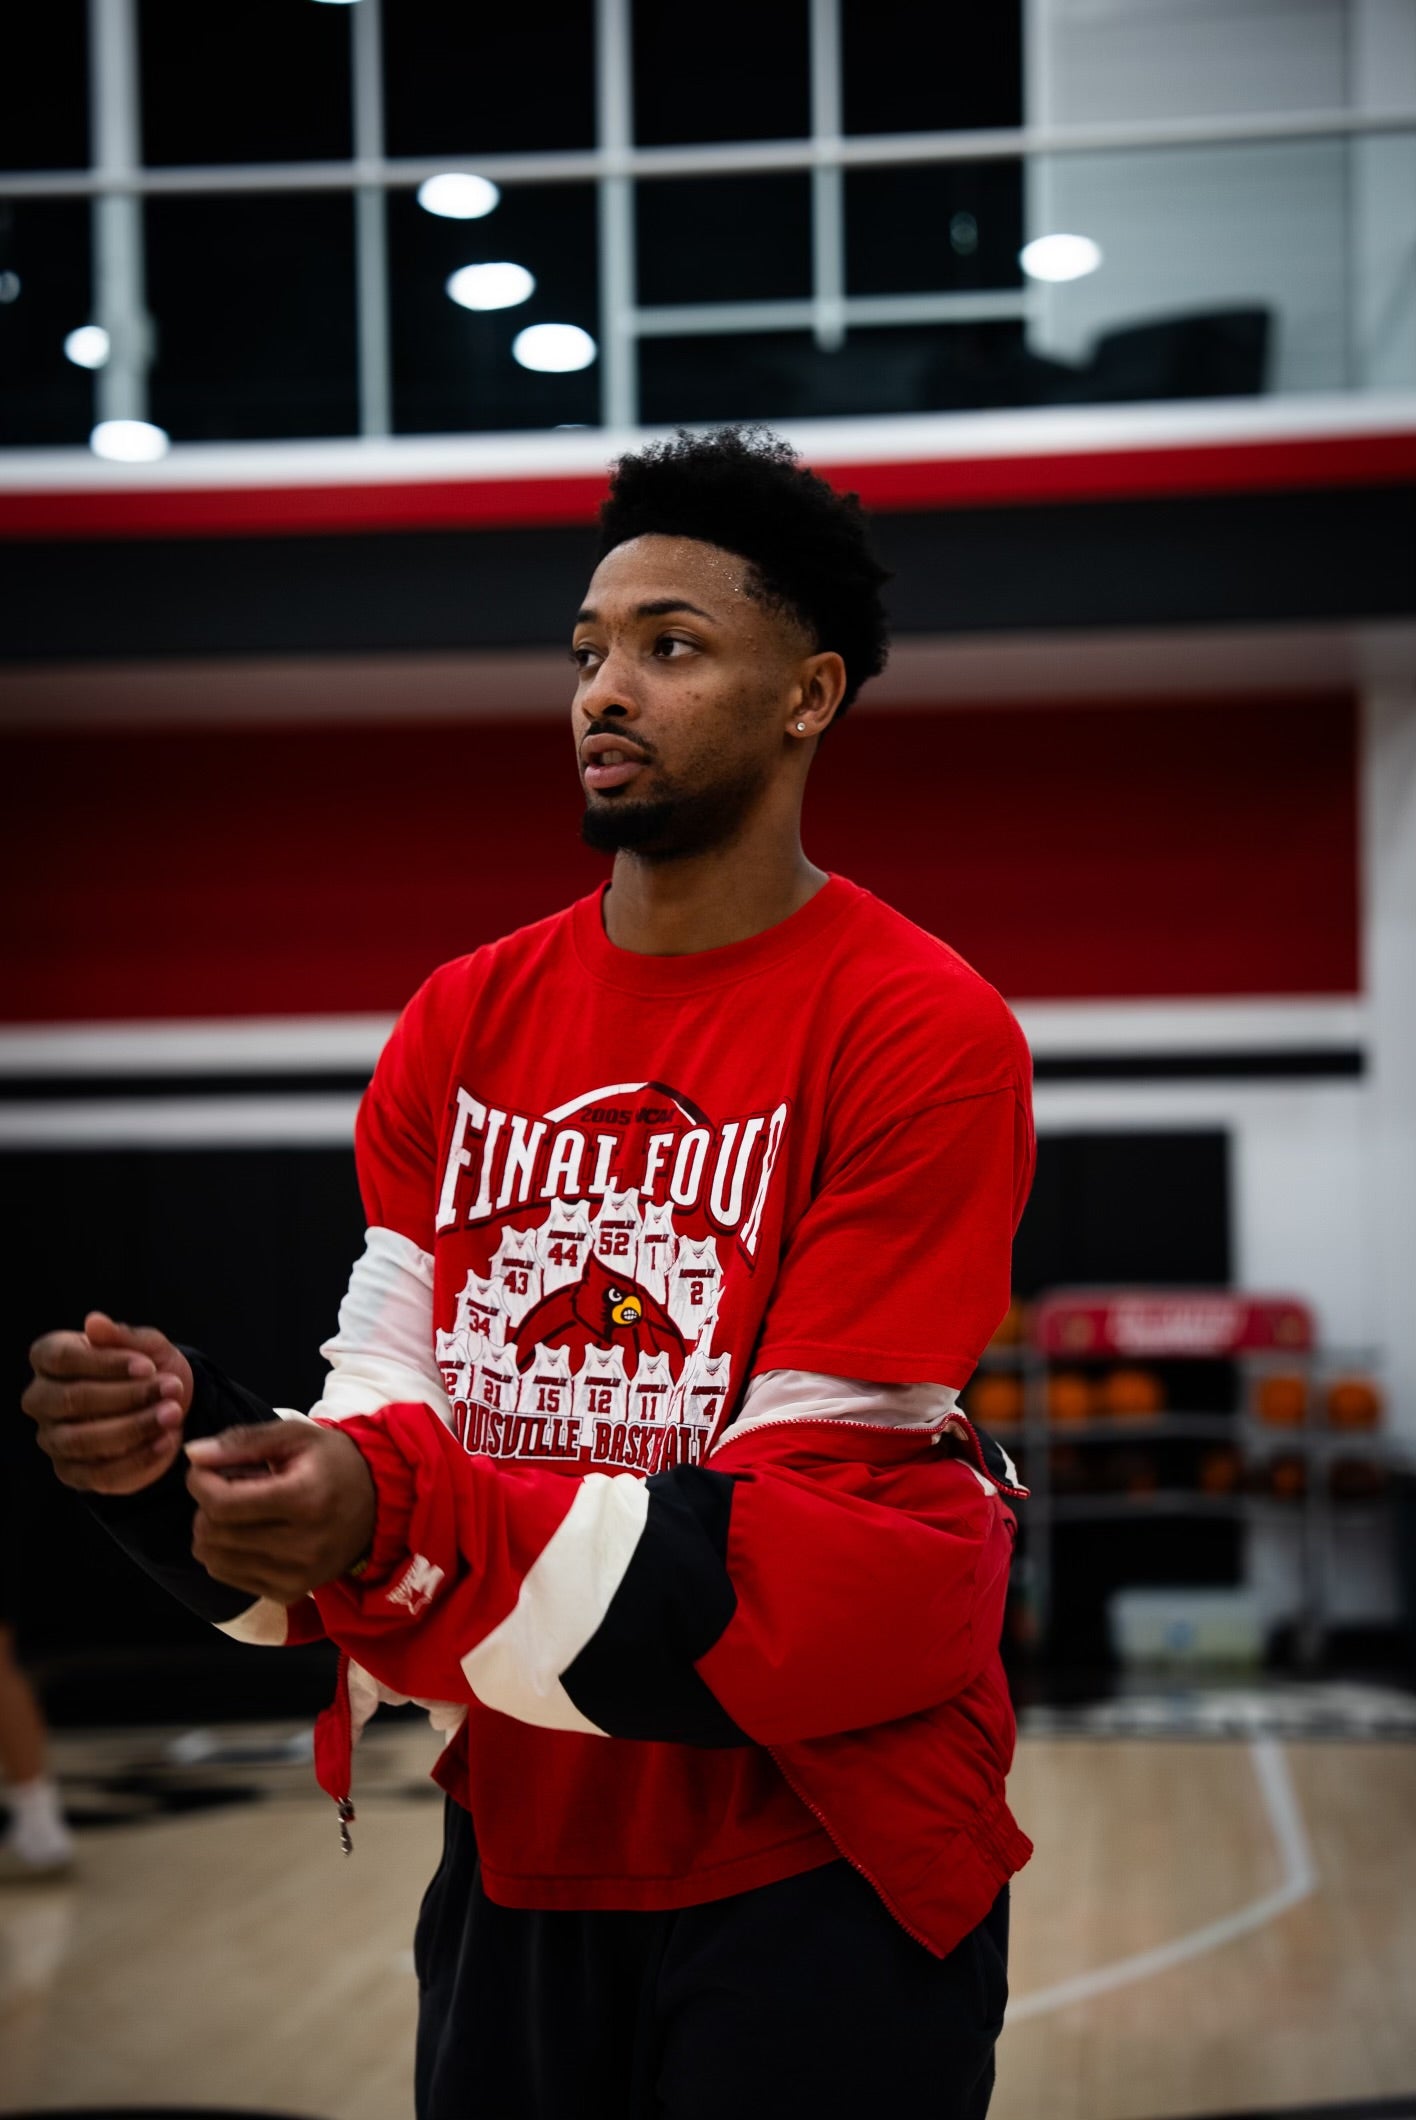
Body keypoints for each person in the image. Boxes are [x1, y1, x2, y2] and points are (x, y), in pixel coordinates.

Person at [23, 427, 1035, 2120]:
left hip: (822, 1868)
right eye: (586, 650)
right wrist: (188, 1465)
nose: (602, 691)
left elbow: (809, 1551)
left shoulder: (923, 1027)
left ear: (809, 696)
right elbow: (380, 1438)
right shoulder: (459, 1018)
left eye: (671, 646)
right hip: (514, 1854)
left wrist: (381, 1512)